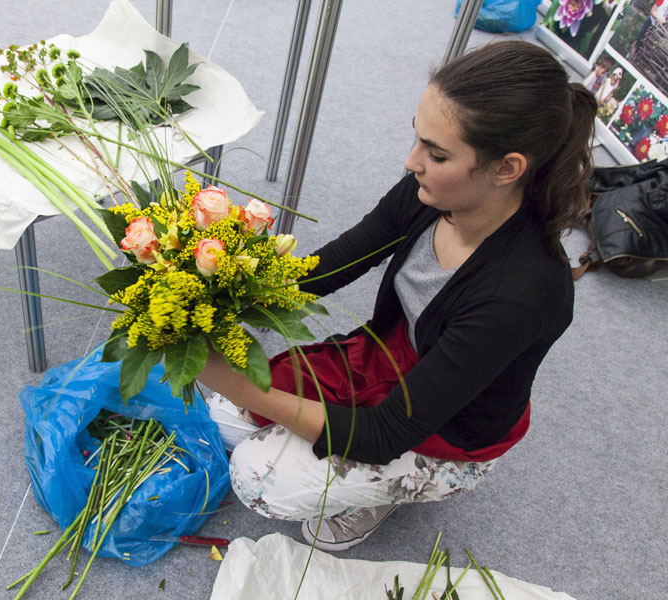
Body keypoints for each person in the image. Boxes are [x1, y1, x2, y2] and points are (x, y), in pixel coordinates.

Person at [197, 40, 597, 552]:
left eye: (437, 153)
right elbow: (334, 265)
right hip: (392, 355)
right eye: (418, 138)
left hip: (454, 427)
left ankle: (394, 490)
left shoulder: (521, 294)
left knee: (257, 479)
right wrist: (219, 283)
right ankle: (332, 462)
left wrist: (237, 384)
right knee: (227, 421)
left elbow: (385, 434)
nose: (411, 162)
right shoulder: (431, 191)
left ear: (507, 168)